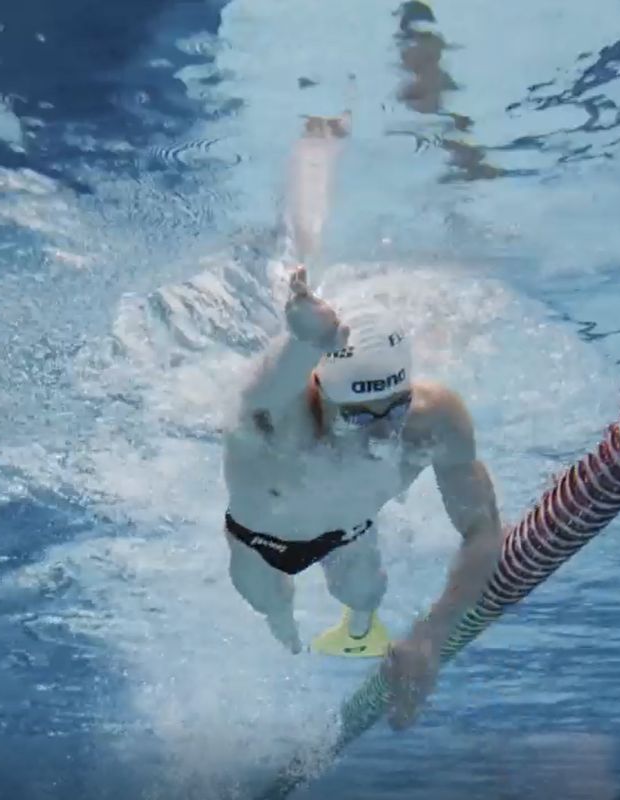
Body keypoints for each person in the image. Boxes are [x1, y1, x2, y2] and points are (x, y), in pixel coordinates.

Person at [220, 111, 504, 731]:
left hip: (347, 531)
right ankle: (285, 627)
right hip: (258, 544)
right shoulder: (283, 416)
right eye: (360, 413)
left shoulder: (435, 418)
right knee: (272, 604)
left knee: (363, 597)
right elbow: (272, 383)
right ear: (322, 392)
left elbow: (483, 529)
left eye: (391, 408)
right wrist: (303, 340)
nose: (381, 429)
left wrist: (431, 634)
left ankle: (353, 626)